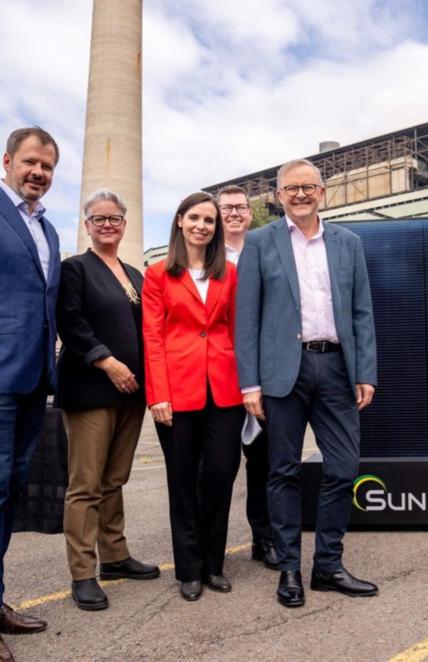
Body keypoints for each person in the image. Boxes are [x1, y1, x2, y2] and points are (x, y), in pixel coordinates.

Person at [235, 159, 377, 608]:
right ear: (278, 196)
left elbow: (361, 312)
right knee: (282, 471)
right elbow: (247, 319)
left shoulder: (348, 242)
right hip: (282, 372)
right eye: (291, 188)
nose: (300, 194)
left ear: (322, 192)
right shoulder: (260, 243)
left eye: (308, 186)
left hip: (336, 368)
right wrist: (249, 384)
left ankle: (329, 566)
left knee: (343, 467)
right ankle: (290, 570)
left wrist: (365, 371)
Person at [56, 190, 160, 611]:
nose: (106, 226)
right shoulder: (75, 269)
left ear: (124, 223)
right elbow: (71, 322)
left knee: (114, 479)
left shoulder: (136, 274)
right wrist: (106, 361)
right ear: (86, 226)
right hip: (91, 389)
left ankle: (115, 557)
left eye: (113, 219)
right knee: (85, 485)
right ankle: (83, 572)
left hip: (132, 394)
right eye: (98, 219)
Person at [142, 191, 244, 601]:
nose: (203, 226)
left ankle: (214, 564)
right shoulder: (157, 275)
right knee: (183, 482)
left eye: (210, 220)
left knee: (220, 475)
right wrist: (158, 395)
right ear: (180, 221)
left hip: (224, 389)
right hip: (176, 392)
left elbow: (236, 331)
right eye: (196, 218)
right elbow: (152, 337)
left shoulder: (229, 274)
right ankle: (189, 568)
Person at [0, 126, 60, 658]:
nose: (38, 172)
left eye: (46, 166)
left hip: (33, 381)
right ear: (7, 161)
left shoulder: (49, 230)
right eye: (30, 163)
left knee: (8, 496)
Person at [215, 184, 278, 570]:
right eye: (226, 208)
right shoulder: (204, 256)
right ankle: (211, 547)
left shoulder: (265, 249)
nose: (234, 213)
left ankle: (264, 537)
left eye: (240, 207)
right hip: (220, 371)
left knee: (264, 463)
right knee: (219, 465)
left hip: (264, 371)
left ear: (251, 213)